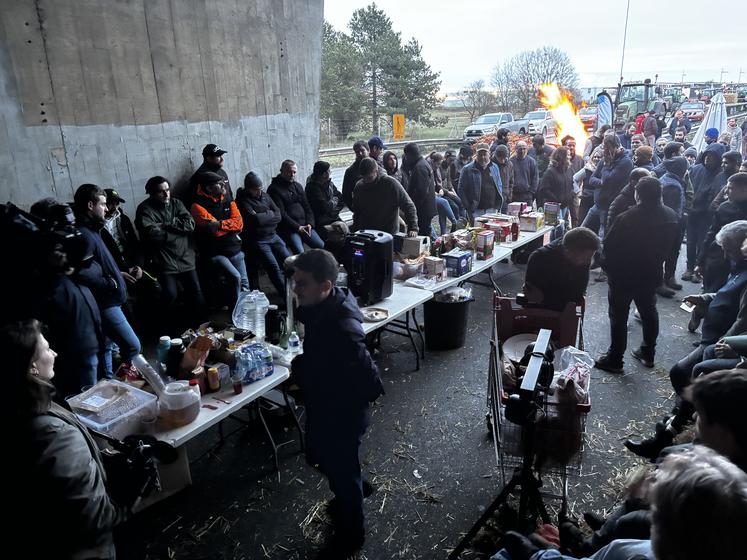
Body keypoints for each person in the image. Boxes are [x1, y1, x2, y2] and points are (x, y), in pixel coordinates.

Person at [6, 319, 128, 559]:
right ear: (31, 367)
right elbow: (94, 517)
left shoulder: (19, 404)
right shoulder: (55, 436)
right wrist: (128, 504)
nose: (54, 353)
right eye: (47, 349)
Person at [495, 445, 747, 560]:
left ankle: (561, 544)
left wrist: (537, 555)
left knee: (506, 551)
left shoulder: (631, 552)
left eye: (654, 507)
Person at [290, 250, 384, 558]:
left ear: (326, 285)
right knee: (317, 455)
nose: (295, 289)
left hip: (342, 411)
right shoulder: (324, 307)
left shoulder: (342, 327)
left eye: (302, 283)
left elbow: (365, 368)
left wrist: (362, 394)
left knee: (340, 468)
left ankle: (352, 532)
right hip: (327, 403)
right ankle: (355, 488)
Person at [595, 177, 679, 372]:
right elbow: (674, 248)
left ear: (637, 194)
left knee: (619, 316)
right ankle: (648, 353)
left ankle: (615, 359)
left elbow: (609, 246)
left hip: (623, 275)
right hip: (651, 273)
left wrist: (606, 268)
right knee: (649, 312)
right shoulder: (671, 215)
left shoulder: (627, 217)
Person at [27, 199, 103, 398]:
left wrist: (71, 268)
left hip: (90, 336)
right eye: (63, 226)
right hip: (71, 349)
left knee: (93, 393)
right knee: (83, 400)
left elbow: (95, 269)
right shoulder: (35, 267)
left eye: (71, 224)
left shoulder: (69, 256)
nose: (70, 231)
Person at [73, 184, 141, 379]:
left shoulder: (92, 229)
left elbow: (96, 264)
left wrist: (115, 274)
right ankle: (125, 380)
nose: (106, 208)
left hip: (107, 299)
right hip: (105, 302)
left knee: (106, 348)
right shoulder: (84, 234)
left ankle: (110, 383)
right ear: (89, 205)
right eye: (102, 204)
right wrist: (110, 282)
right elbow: (83, 271)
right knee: (132, 346)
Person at [135, 176, 206, 333]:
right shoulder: (145, 210)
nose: (166, 194)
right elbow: (152, 234)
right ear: (152, 193)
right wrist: (177, 232)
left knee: (196, 293)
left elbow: (190, 225)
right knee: (170, 296)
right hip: (165, 261)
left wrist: (167, 224)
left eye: (167, 190)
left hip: (186, 258)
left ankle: (201, 328)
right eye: (161, 192)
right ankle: (172, 331)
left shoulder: (176, 203)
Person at [191, 171, 249, 304]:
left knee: (245, 284)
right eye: (219, 184)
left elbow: (239, 224)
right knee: (236, 278)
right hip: (216, 252)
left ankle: (246, 314)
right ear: (209, 188)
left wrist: (221, 224)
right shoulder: (197, 206)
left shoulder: (227, 198)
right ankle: (235, 313)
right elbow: (214, 232)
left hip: (234, 248)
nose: (224, 186)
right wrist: (229, 226)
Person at [235, 172, 290, 297]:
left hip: (273, 235)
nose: (259, 192)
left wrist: (263, 216)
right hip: (259, 240)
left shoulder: (265, 196)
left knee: (289, 262)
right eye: (256, 190)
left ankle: (294, 291)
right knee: (273, 268)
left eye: (260, 189)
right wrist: (269, 214)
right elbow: (255, 220)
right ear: (249, 189)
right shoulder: (242, 201)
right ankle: (285, 296)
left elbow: (278, 214)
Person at [523, 227, 599, 312]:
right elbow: (533, 297)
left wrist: (546, 299)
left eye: (590, 257)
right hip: (536, 311)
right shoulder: (539, 258)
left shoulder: (582, 258)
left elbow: (577, 297)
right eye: (586, 258)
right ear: (569, 252)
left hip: (564, 310)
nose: (589, 262)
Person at [687, 143, 729, 284]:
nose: (708, 159)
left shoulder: (720, 175)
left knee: (702, 243)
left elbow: (714, 196)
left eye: (712, 157)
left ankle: (698, 269)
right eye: (706, 156)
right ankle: (689, 267)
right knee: (691, 241)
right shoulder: (696, 169)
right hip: (692, 213)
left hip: (706, 215)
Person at [582, 133, 634, 241]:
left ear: (616, 147)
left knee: (603, 238)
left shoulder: (626, 162)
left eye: (607, 148)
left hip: (609, 207)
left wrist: (606, 164)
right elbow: (592, 179)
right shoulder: (605, 159)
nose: (605, 151)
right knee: (582, 231)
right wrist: (600, 182)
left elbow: (607, 180)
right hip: (597, 205)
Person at [268, 160, 324, 254]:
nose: (292, 174)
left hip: (305, 226)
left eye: (294, 172)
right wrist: (298, 227)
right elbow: (282, 214)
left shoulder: (297, 186)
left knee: (321, 246)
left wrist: (310, 224)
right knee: (300, 253)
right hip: (290, 229)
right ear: (281, 171)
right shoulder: (274, 189)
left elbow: (307, 207)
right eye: (289, 172)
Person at [352, 157, 418, 236]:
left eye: (369, 178)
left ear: (376, 172)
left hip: (388, 232)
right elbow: (357, 211)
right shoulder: (359, 186)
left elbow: (408, 205)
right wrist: (355, 230)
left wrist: (413, 227)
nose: (366, 181)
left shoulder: (390, 183)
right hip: (367, 232)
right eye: (363, 178)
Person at [656, 156, 688, 296]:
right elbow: (669, 209)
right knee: (665, 253)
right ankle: (659, 283)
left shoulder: (673, 180)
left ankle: (669, 277)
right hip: (670, 225)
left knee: (673, 252)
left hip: (674, 223)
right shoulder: (671, 185)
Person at [457, 143, 503, 224]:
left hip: (492, 209)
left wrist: (498, 204)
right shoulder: (467, 169)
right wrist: (468, 207)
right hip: (476, 210)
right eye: (480, 155)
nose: (482, 157)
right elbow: (461, 190)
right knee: (478, 233)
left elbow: (499, 185)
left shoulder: (494, 167)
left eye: (485, 154)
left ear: (489, 154)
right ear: (476, 155)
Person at [401, 143, 437, 237]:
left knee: (421, 237)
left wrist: (413, 208)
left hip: (422, 210)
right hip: (424, 208)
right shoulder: (422, 164)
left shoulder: (420, 167)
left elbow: (421, 192)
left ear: (409, 155)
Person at [305, 160, 345, 242]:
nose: (331, 173)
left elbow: (341, 198)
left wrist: (333, 209)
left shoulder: (329, 183)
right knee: (333, 240)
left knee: (346, 233)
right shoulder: (312, 188)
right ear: (324, 174)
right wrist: (335, 199)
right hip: (322, 222)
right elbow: (324, 208)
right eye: (329, 171)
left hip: (333, 216)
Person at [536, 146, 573, 233]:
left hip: (565, 205)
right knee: (560, 228)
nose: (569, 156)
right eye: (567, 155)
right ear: (561, 157)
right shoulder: (551, 171)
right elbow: (544, 189)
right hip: (554, 206)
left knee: (558, 229)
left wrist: (571, 195)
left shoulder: (568, 170)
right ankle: (556, 245)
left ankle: (554, 244)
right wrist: (556, 199)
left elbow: (571, 184)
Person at [605, 168, 652, 232]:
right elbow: (611, 228)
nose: (650, 184)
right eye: (645, 181)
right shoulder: (619, 202)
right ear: (633, 182)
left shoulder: (652, 197)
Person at [428, 151, 459, 234]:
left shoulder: (436, 169)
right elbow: (429, 185)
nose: (438, 166)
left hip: (439, 192)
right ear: (433, 162)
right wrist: (442, 191)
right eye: (437, 164)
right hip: (430, 196)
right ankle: (455, 222)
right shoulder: (428, 168)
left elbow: (440, 183)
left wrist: (441, 189)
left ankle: (443, 233)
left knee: (442, 211)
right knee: (444, 202)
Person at [573, 147, 602, 226]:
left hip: (598, 201)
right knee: (582, 223)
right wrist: (578, 192)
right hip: (586, 201)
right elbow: (574, 179)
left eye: (599, 157)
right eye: (595, 157)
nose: (596, 159)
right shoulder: (587, 169)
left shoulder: (604, 170)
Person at [342, 140, 369, 209]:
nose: (360, 153)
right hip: (361, 209)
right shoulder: (350, 171)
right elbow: (346, 194)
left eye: (362, 150)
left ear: (368, 151)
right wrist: (354, 209)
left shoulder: (377, 167)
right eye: (357, 152)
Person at [493, 145, 514, 210]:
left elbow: (511, 181)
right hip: (493, 200)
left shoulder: (509, 165)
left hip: (505, 198)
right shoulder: (491, 165)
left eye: (504, 158)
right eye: (500, 158)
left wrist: (509, 195)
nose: (502, 160)